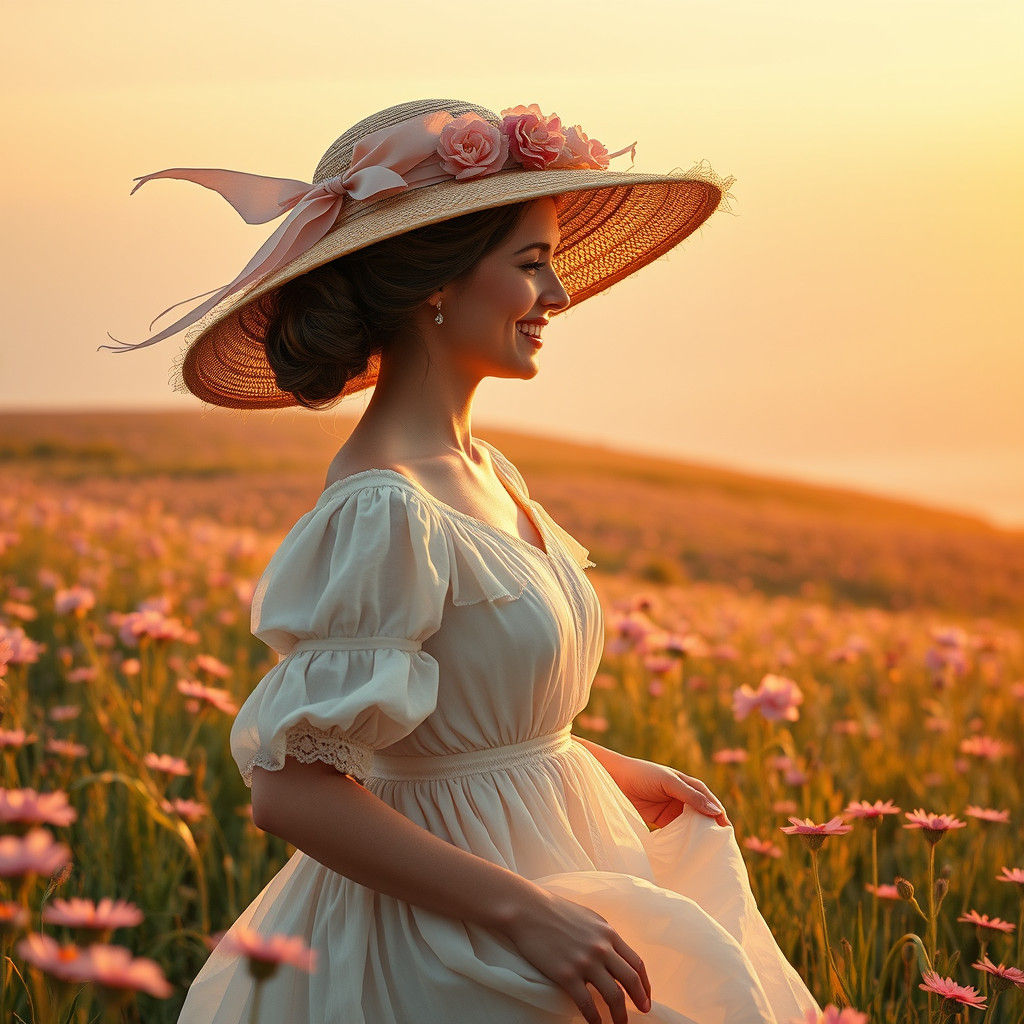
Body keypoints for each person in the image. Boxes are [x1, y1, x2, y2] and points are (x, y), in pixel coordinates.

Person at [104, 98, 821, 1024]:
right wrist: (526, 915)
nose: (558, 297)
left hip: (557, 858)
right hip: (448, 929)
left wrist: (596, 764)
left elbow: (456, 720)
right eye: (532, 265)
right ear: (433, 287)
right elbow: (292, 791)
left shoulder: (486, 472)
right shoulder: (383, 506)